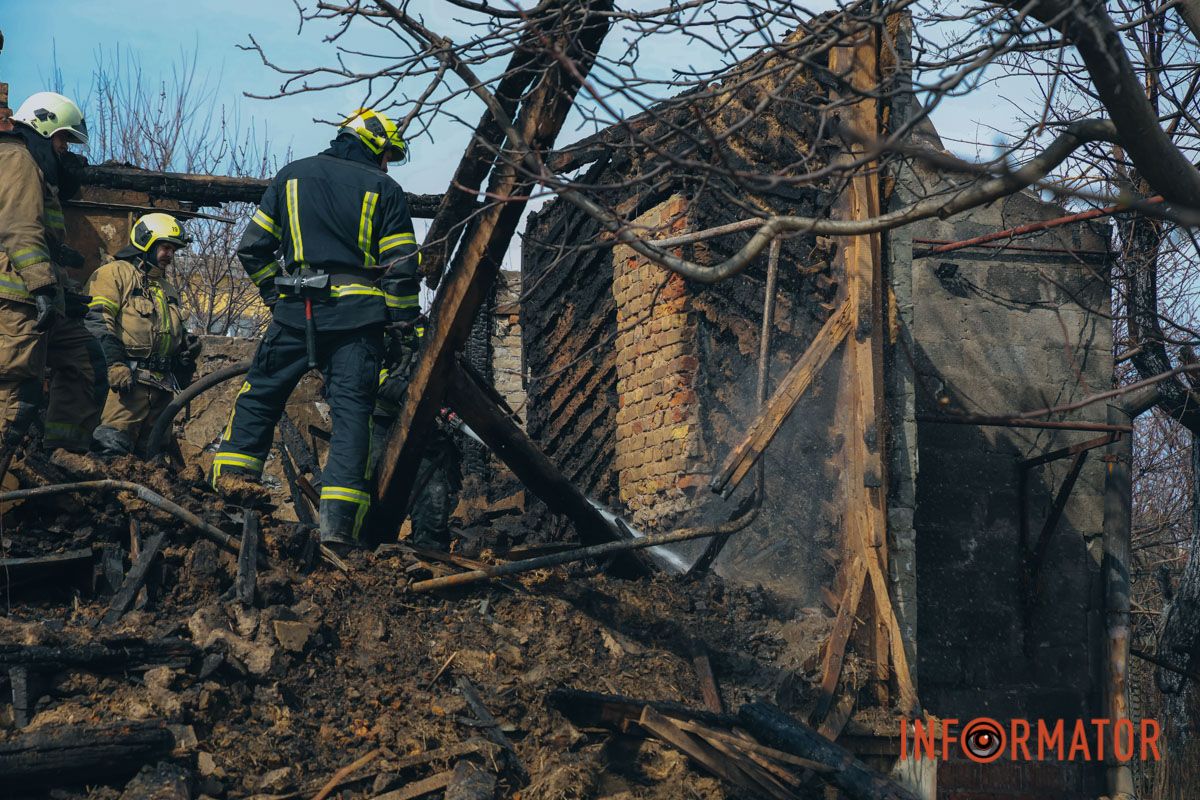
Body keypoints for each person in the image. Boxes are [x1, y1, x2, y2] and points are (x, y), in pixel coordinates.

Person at [212, 108, 421, 552]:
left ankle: (230, 492)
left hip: (296, 312)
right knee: (351, 417)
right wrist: (403, 328)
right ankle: (339, 530)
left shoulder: (291, 176)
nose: (387, 164)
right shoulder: (385, 189)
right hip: (358, 322)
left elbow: (253, 248)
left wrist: (276, 297)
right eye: (386, 154)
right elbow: (402, 268)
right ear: (372, 145)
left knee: (260, 396)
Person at [0, 91, 106, 454]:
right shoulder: (18, 159)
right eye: (63, 138)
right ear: (43, 128)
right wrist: (45, 287)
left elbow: (43, 244)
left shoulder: (41, 173)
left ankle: (64, 457)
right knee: (14, 388)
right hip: (15, 299)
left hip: (35, 298)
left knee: (85, 359)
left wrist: (62, 295)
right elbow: (20, 229)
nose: (65, 148)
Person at [84, 212, 202, 456]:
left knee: (155, 463)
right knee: (112, 450)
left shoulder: (166, 288)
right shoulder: (115, 273)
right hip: (127, 387)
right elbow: (96, 320)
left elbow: (164, 333)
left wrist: (186, 349)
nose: (169, 255)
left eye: (173, 250)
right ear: (146, 242)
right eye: (165, 247)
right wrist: (115, 364)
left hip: (162, 389)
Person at [371, 320, 462, 550]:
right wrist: (401, 391)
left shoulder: (421, 322)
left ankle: (430, 552)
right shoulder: (370, 314)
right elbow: (363, 370)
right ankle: (364, 548)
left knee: (433, 487)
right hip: (375, 419)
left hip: (415, 420)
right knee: (368, 486)